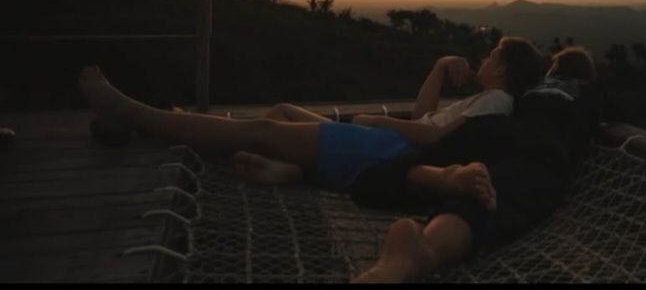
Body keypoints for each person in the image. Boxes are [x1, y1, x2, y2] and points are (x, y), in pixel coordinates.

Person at [80, 36, 546, 195]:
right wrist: (440, 67)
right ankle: (292, 168)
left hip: (386, 148)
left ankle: (132, 113)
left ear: (503, 69)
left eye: (491, 55)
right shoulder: (487, 100)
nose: (483, 58)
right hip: (384, 144)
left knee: (261, 129)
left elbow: (431, 140)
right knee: (282, 113)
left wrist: (378, 122)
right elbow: (426, 116)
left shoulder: (496, 103)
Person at [350, 45, 600, 283]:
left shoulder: (532, 90)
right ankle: (426, 246)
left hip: (495, 129)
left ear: (553, 69)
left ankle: (378, 183)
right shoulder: (584, 94)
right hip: (540, 145)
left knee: (435, 161)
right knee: (493, 190)